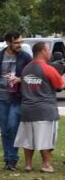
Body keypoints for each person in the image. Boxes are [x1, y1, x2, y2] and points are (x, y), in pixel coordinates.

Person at [0, 31, 32, 171]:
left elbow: (34, 76)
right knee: (5, 130)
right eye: (16, 43)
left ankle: (12, 159)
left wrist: (20, 80)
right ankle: (8, 160)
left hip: (17, 99)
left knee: (13, 128)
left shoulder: (25, 57)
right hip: (1, 100)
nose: (19, 45)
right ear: (8, 43)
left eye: (21, 42)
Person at [16, 41, 64, 172]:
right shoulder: (48, 68)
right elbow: (60, 86)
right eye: (48, 50)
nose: (50, 53)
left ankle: (28, 164)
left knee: (28, 138)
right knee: (47, 138)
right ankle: (46, 165)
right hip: (45, 109)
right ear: (42, 51)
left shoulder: (26, 68)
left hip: (27, 109)